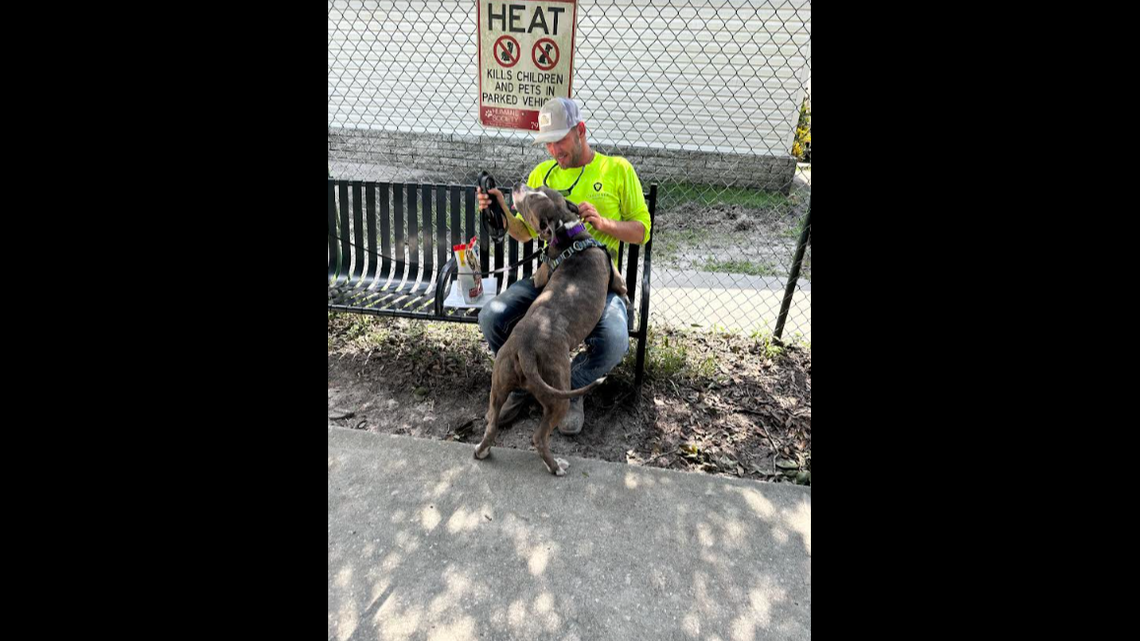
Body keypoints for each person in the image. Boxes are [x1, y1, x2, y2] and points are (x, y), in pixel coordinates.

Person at [477, 97, 652, 435]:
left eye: (560, 140)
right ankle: (527, 380)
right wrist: (499, 207)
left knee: (615, 341)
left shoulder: (617, 169)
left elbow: (642, 231)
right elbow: (525, 234)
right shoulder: (542, 173)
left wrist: (604, 224)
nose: (554, 150)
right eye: (548, 143)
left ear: (581, 131)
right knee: (491, 317)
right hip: (550, 282)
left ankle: (567, 387)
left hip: (592, 284)